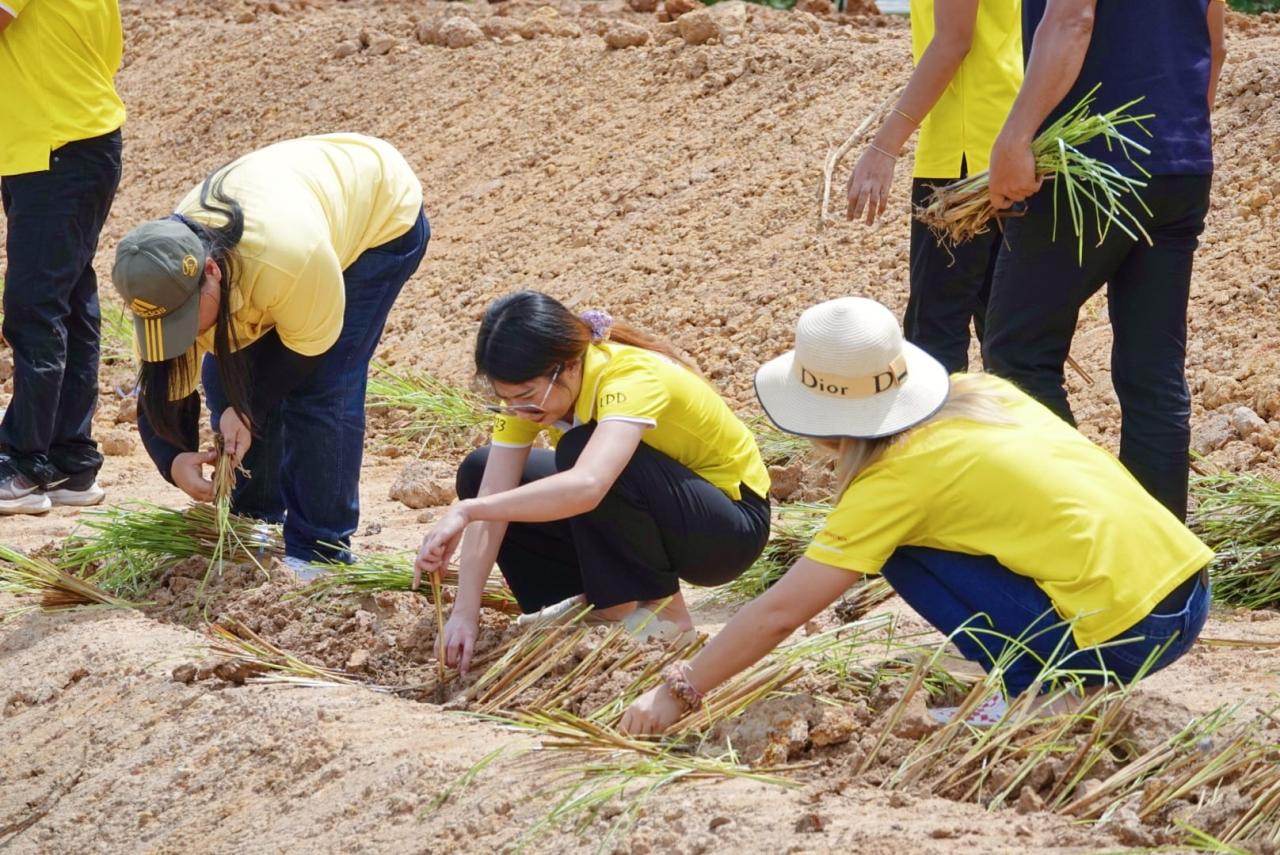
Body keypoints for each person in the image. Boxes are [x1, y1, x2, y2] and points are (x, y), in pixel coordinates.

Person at [619, 297, 1212, 734]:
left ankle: (1044, 693)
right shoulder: (981, 391)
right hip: (1186, 587)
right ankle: (1039, 675)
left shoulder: (893, 482)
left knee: (900, 553)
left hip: (1134, 633)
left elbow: (780, 611)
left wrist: (679, 690)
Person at [113, 133, 428, 575]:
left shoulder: (288, 259)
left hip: (377, 216)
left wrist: (246, 409)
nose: (184, 332)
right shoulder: (161, 287)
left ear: (211, 271)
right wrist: (174, 460)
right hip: (288, 220)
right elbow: (163, 386)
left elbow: (307, 353)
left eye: (186, 316)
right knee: (229, 379)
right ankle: (255, 522)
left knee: (323, 390)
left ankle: (320, 552)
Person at [413, 290, 772, 673]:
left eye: (525, 396)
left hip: (726, 528)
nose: (517, 409)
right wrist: (464, 612)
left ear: (567, 365)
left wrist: (465, 512)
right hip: (657, 511)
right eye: (506, 399)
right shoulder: (532, 394)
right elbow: (493, 492)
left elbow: (589, 485)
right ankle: (590, 606)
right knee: (481, 469)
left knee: (579, 452)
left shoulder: (629, 376)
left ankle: (664, 616)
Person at [981, 0, 1227, 521]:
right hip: (1181, 161)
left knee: (1019, 355)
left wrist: (1014, 137)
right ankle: (1161, 569)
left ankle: (1087, 525)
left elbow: (1073, 18)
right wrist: (1176, 136)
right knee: (1152, 372)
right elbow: (1216, 40)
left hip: (1092, 163)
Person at [846, 0, 1022, 373]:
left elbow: (953, 41)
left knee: (934, 338)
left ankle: (943, 432)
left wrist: (883, 147)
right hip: (1013, 141)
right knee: (1008, 340)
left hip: (963, 158)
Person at [0, 0, 126, 514]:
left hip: (57, 147)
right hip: (66, 145)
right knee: (68, 302)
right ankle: (70, 459)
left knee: (35, 306)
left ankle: (24, 461)